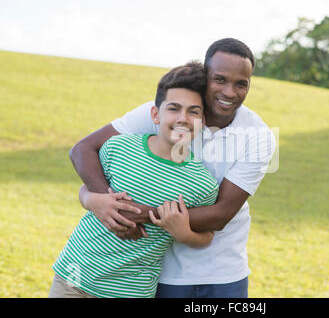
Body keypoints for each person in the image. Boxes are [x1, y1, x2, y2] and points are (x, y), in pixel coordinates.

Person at [71, 38, 276, 298]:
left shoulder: (259, 135)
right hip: (162, 270)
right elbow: (83, 149)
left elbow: (221, 214)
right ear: (205, 76)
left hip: (223, 271)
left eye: (241, 84)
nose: (230, 92)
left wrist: (135, 214)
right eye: (220, 79)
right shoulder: (167, 111)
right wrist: (106, 204)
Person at [49, 62, 219, 298]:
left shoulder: (202, 184)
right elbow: (86, 189)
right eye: (174, 108)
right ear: (155, 114)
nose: (183, 118)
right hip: (74, 277)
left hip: (130, 291)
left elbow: (206, 237)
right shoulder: (117, 148)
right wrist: (89, 199)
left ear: (203, 121)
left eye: (194, 111)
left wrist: (184, 234)